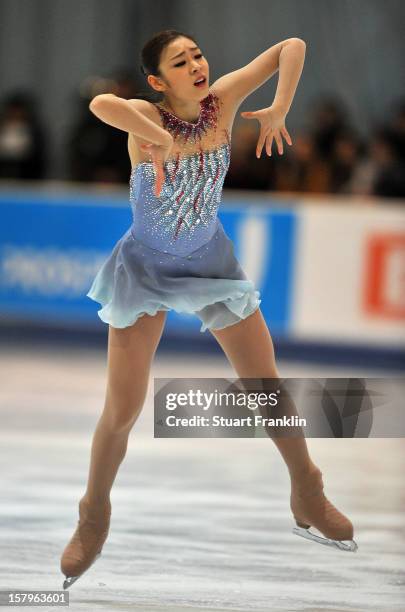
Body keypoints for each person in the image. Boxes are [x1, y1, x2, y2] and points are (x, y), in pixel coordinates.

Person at [60, 29, 357, 589]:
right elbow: (102, 104)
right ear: (157, 82)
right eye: (181, 61)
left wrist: (279, 108)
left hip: (210, 264)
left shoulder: (223, 99)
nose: (196, 64)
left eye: (197, 53)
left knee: (266, 386)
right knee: (121, 410)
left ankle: (309, 490)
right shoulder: (143, 118)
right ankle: (93, 514)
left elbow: (291, 46)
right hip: (144, 270)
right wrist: (159, 139)